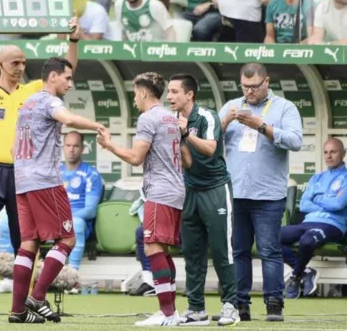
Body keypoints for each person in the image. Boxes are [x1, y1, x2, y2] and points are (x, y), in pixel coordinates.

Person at [0, 15, 81, 316]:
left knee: (27, 240)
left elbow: (65, 70)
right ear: (1, 64)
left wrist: (74, 40)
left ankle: (26, 302)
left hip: (25, 176)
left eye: (23, 62)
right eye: (15, 63)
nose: (21, 68)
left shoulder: (34, 90)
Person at [9, 57, 105, 324]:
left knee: (28, 244)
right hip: (45, 181)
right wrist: (96, 125)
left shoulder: (27, 104)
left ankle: (18, 311)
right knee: (67, 240)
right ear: (52, 76)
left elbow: (12, 149)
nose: (70, 84)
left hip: (22, 182)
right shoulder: (51, 102)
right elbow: (68, 118)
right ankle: (38, 297)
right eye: (67, 77)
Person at [99, 72, 185, 327]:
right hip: (175, 190)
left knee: (152, 248)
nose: (134, 98)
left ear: (145, 92)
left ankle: (167, 313)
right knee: (162, 250)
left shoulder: (148, 118)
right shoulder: (171, 117)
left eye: (135, 93)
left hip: (160, 191)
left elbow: (136, 157)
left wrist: (109, 145)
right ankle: (170, 311)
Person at [219, 63, 303, 321]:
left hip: (268, 194)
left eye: (254, 86)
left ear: (267, 81)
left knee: (269, 250)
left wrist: (261, 126)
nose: (249, 91)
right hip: (236, 192)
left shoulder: (284, 108)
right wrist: (225, 121)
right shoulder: (232, 105)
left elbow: (295, 141)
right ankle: (240, 304)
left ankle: (274, 303)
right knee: (239, 250)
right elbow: (210, 141)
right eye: (245, 86)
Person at [166, 74, 239, 327]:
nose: (169, 96)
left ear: (189, 94)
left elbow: (209, 148)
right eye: (168, 91)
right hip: (190, 191)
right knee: (192, 253)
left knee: (222, 251)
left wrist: (185, 133)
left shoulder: (207, 116)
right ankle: (196, 308)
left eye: (175, 92)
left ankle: (231, 305)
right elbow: (184, 159)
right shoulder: (171, 120)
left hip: (216, 189)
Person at [281, 138, 347, 299]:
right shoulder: (317, 178)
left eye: (333, 152)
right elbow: (305, 205)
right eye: (326, 152)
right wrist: (328, 199)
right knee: (268, 238)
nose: (329, 156)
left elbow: (339, 204)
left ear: (343, 153)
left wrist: (317, 198)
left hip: (333, 224)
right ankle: (305, 272)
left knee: (307, 240)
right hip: (308, 221)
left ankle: (294, 277)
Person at [61, 131, 103, 290]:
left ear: (82, 149)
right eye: (68, 145)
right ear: (63, 147)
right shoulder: (54, 172)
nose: (71, 149)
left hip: (78, 222)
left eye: (76, 146)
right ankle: (13, 278)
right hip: (53, 221)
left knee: (76, 224)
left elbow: (90, 211)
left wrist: (67, 220)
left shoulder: (91, 174)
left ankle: (72, 279)